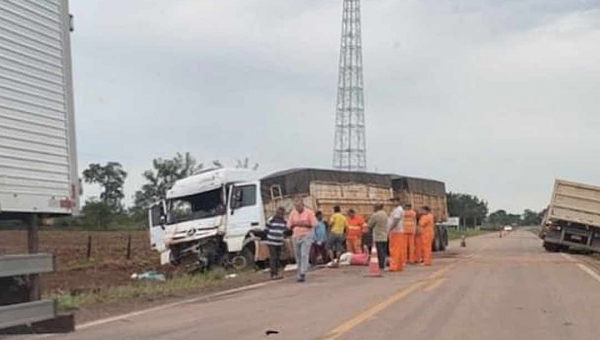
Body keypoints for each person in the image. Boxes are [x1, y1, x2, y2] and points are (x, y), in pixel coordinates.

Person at [287, 197, 317, 282]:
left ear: (302, 205)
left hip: (306, 235)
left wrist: (301, 224)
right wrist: (297, 224)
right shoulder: (293, 213)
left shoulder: (309, 213)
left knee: (304, 254)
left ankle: (303, 272)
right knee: (298, 255)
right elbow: (289, 225)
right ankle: (299, 272)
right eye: (296, 206)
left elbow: (313, 224)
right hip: (296, 236)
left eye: (299, 206)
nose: (298, 208)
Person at [265, 207, 287, 280]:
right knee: (273, 257)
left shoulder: (284, 221)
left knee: (277, 258)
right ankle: (273, 274)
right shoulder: (271, 219)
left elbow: (284, 231)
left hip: (279, 242)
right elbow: (266, 229)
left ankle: (276, 273)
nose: (280, 214)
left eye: (282, 213)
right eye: (279, 213)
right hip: (271, 242)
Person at [367, 204, 388, 271]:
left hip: (378, 236)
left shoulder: (375, 215)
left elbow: (370, 225)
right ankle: (383, 264)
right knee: (383, 251)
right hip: (384, 235)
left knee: (379, 251)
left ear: (376, 208)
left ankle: (381, 265)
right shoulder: (385, 214)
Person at [388, 202, 405, 272]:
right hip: (398, 232)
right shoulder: (398, 209)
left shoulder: (398, 210)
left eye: (393, 201)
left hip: (396, 232)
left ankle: (394, 266)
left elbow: (396, 220)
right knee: (398, 249)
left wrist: (390, 228)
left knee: (394, 250)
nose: (391, 203)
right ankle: (399, 266)